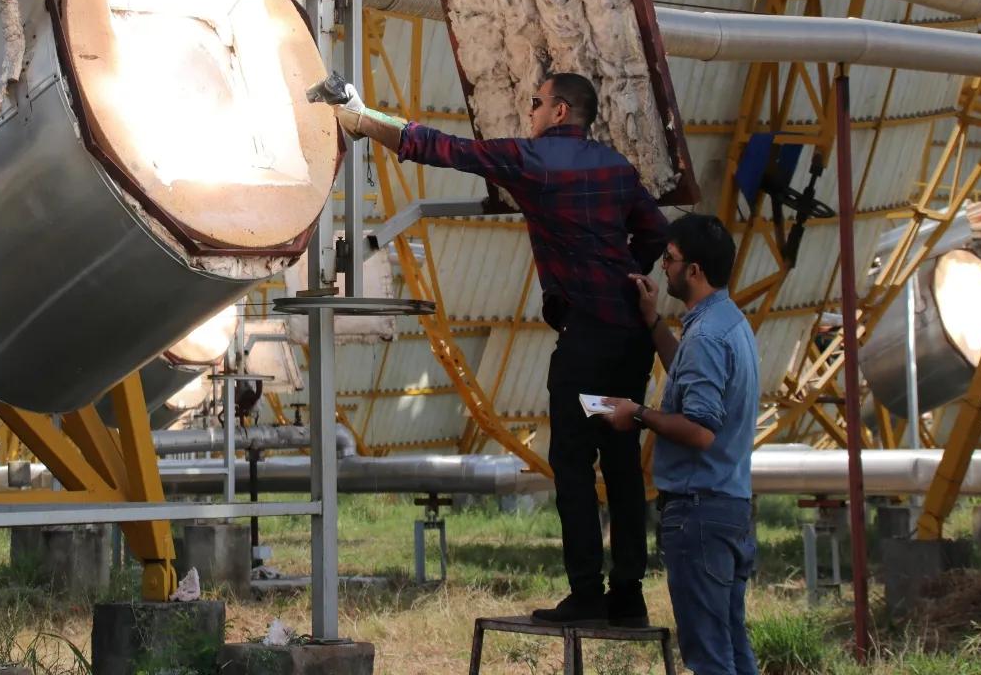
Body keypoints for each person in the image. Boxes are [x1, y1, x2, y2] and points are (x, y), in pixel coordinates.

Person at [316, 70, 668, 627]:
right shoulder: (617, 169)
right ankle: (628, 596)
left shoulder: (533, 162)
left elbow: (442, 149)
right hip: (627, 340)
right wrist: (626, 273)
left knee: (574, 464)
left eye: (535, 102)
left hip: (584, 349)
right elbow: (654, 233)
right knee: (621, 463)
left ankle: (585, 593)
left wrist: (364, 120)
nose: (528, 111)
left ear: (558, 113)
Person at [601, 213, 760, 675]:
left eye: (669, 259)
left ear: (695, 270)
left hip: (699, 512)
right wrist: (653, 322)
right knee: (732, 647)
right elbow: (693, 382)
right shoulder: (727, 324)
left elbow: (701, 429)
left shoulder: (708, 336)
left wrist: (641, 415)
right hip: (729, 507)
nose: (662, 267)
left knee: (709, 657)